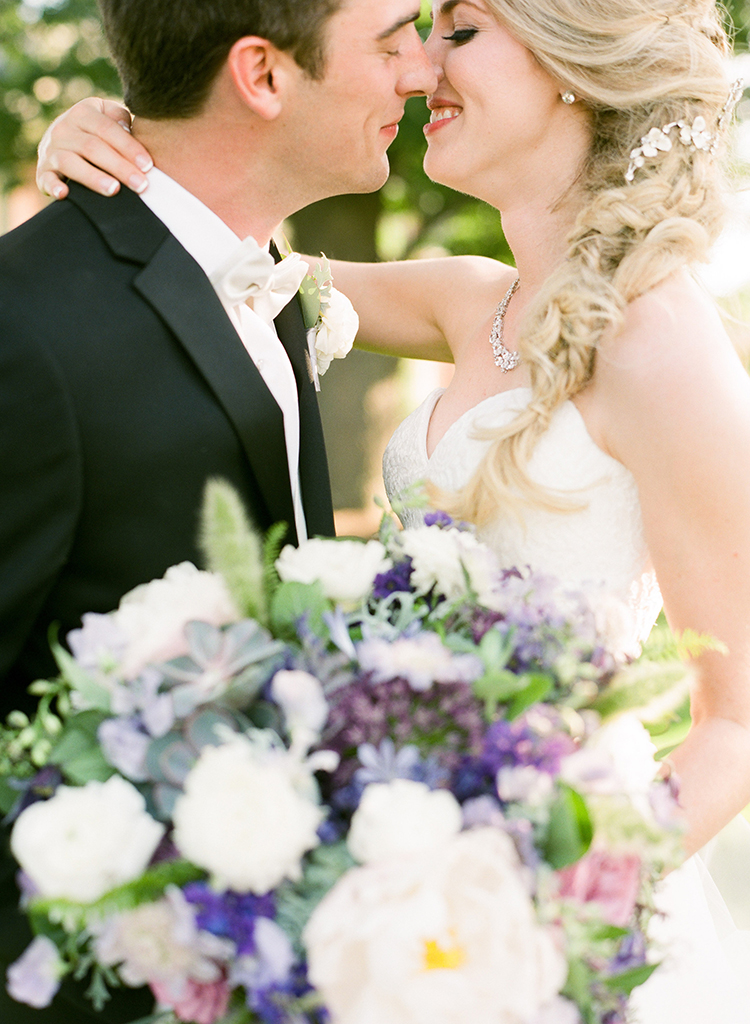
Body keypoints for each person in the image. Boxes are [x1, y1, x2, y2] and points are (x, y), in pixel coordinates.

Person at [30, 0, 750, 1021]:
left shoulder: (662, 342)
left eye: (460, 33)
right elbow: (217, 259)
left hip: (552, 904)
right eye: (415, 35)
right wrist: (109, 141)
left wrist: (548, 913)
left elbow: (740, 722)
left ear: (568, 68)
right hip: (395, 864)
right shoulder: (472, 301)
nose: (421, 68)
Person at [0, 1, 437, 1021]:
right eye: (390, 40)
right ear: (263, 75)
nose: (417, 72)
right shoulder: (27, 328)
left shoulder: (268, 280)